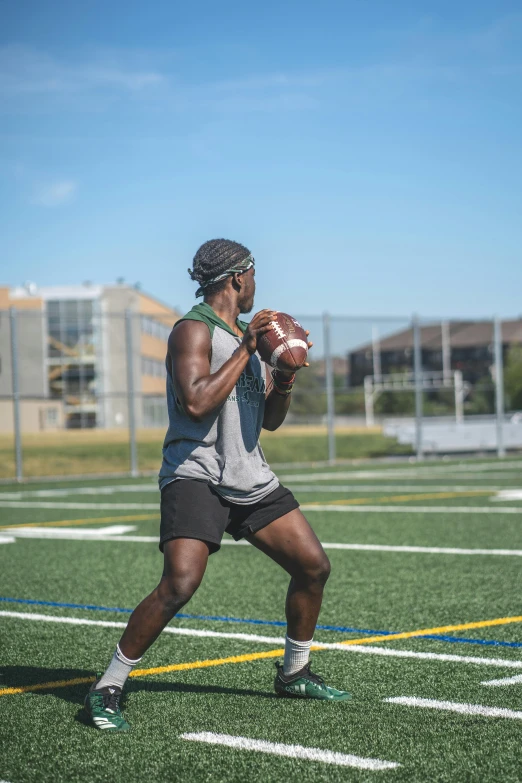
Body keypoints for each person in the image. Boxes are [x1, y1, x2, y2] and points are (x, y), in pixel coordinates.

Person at [85, 238, 351, 731]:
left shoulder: (250, 339)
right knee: (179, 585)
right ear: (238, 277)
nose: (255, 289)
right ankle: (108, 685)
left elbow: (270, 421)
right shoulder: (193, 330)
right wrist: (249, 346)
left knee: (313, 566)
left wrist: (284, 377)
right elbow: (196, 402)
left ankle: (294, 673)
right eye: (253, 278)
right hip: (197, 474)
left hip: (249, 475)